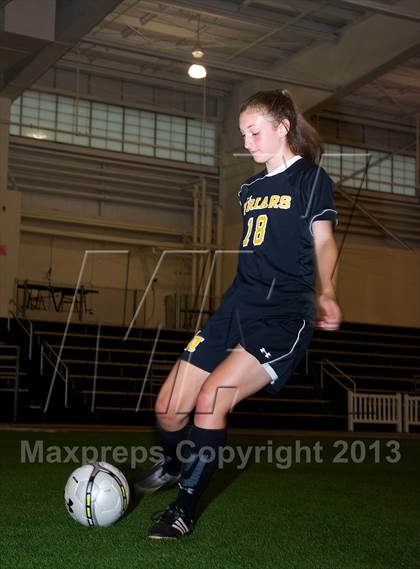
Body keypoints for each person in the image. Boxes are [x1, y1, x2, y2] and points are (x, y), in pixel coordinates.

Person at [136, 88, 342, 539]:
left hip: (283, 314)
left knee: (211, 400)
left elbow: (324, 241)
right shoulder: (249, 188)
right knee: (168, 411)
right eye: (243, 133)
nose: (247, 142)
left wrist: (326, 290)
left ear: (282, 127)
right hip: (235, 306)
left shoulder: (310, 178)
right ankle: (176, 460)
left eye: (254, 131)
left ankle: (182, 510)